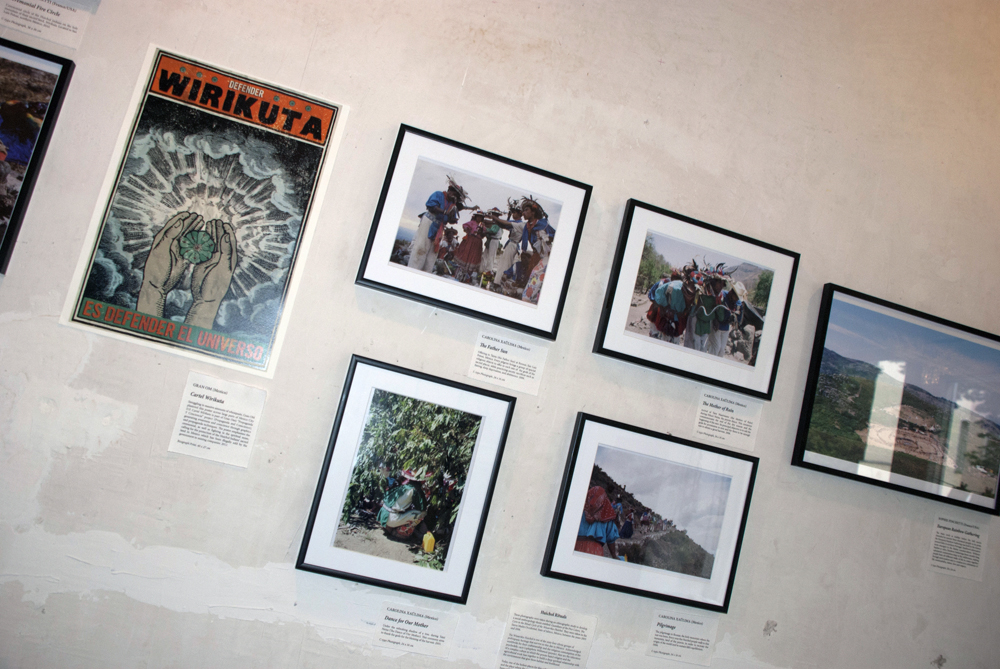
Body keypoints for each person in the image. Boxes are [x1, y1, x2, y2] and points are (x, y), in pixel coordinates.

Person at [408, 177, 467, 273]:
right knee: (421, 247)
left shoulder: (452, 204)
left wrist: (452, 219)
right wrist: (444, 211)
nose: (453, 195)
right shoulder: (438, 194)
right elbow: (431, 206)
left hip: (439, 227)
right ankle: (413, 270)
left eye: (455, 195)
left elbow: (450, 219)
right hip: (429, 222)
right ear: (449, 190)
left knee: (433, 252)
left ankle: (426, 272)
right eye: (452, 193)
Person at [377, 468, 432, 540]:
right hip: (391, 518)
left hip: (383, 515)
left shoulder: (404, 486)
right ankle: (399, 533)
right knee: (420, 514)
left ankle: (388, 527)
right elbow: (421, 508)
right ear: (422, 480)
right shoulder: (415, 489)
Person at [519, 197, 555, 304]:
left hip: (550, 255)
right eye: (523, 210)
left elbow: (554, 235)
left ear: (533, 212)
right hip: (541, 256)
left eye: (526, 210)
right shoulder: (527, 226)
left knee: (538, 274)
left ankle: (529, 298)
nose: (523, 213)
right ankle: (531, 299)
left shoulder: (543, 224)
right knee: (536, 275)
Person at [575, 485, 620, 559]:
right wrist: (614, 556)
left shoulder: (579, 509)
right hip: (596, 552)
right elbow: (611, 539)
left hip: (576, 548)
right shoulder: (607, 515)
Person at [452, 211, 486, 283]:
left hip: (477, 243)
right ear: (476, 217)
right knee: (466, 255)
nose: (479, 218)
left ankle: (467, 277)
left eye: (480, 217)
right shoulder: (472, 223)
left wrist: (481, 232)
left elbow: (484, 234)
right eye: (478, 216)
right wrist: (468, 231)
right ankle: (459, 274)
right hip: (470, 241)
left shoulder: (483, 225)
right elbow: (465, 226)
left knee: (473, 258)